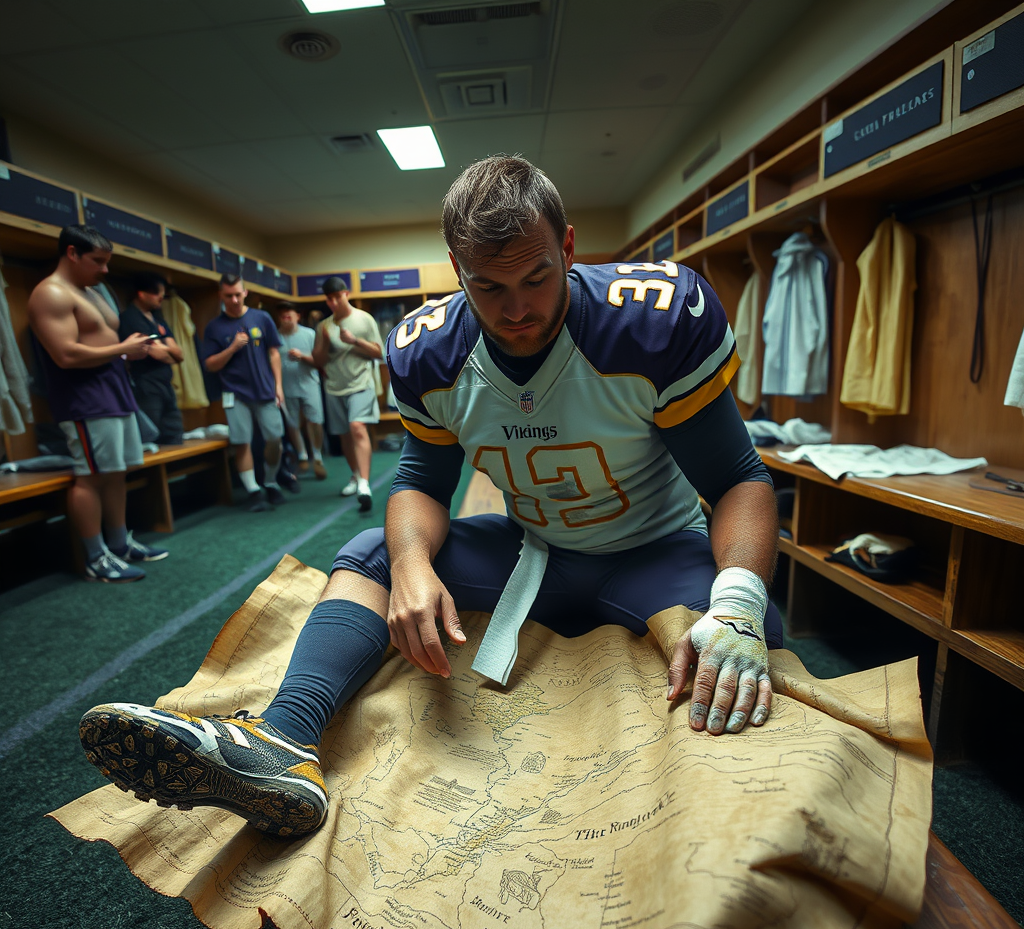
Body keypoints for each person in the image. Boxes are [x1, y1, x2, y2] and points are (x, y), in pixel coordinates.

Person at [80, 156, 782, 838]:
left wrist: (739, 604)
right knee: (376, 553)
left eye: (538, 277)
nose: (518, 309)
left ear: (568, 246)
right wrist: (413, 567)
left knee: (753, 641)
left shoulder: (654, 319)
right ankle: (283, 740)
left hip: (653, 553)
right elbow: (418, 482)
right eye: (489, 288)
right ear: (457, 271)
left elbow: (737, 480)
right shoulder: (431, 348)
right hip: (537, 555)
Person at [28, 225, 168, 582]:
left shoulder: (92, 291)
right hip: (85, 400)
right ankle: (95, 557)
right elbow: (65, 354)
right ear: (72, 253)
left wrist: (128, 353)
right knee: (90, 476)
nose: (106, 270)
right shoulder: (50, 293)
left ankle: (119, 544)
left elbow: (100, 341)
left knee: (116, 472)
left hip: (114, 391)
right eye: (98, 261)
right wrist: (122, 348)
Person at [202, 275, 286, 512]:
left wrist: (278, 385)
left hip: (266, 391)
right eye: (229, 295)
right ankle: (253, 491)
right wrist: (232, 348)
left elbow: (274, 353)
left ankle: (270, 482)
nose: (235, 299)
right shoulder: (214, 327)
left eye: (238, 294)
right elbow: (210, 365)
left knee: (274, 439)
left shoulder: (262, 317)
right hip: (235, 394)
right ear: (221, 296)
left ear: (245, 292)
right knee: (242, 443)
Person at [312, 277, 382, 510]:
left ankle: (364, 484)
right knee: (344, 435)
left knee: (357, 427)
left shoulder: (363, 319)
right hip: (334, 386)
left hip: (361, 383)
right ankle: (355, 476)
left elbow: (378, 353)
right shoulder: (323, 326)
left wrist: (355, 341)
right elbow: (318, 361)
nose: (333, 303)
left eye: (336, 297)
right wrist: (323, 342)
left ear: (346, 294)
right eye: (328, 299)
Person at [118, 272, 184, 445]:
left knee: (175, 435)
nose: (161, 298)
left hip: (166, 385)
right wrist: (167, 351)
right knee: (151, 438)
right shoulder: (130, 318)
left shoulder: (158, 319)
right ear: (141, 293)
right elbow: (160, 354)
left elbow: (178, 354)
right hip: (146, 386)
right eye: (157, 293)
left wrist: (165, 350)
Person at [276, 301, 326, 480]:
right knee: (293, 424)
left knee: (316, 421)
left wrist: (302, 356)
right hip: (287, 388)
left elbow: (319, 362)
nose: (286, 316)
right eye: (282, 314)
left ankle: (317, 456)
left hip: (310, 385)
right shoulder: (275, 337)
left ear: (298, 316)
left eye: (289, 313)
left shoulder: (310, 335)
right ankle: (302, 455)